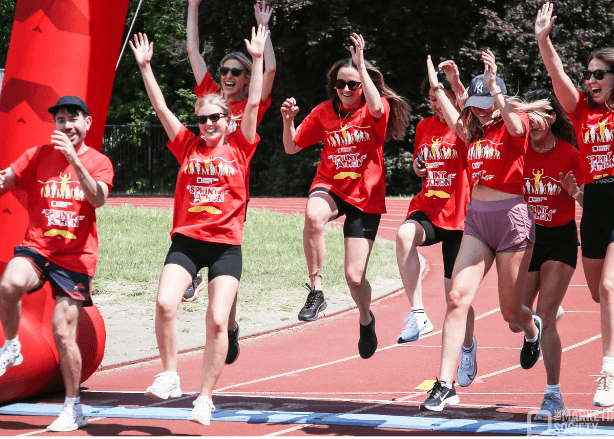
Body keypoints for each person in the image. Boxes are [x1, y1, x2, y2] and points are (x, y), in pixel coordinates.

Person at [130, 25, 266, 425]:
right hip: (187, 241)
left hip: (226, 246)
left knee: (219, 320)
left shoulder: (241, 146)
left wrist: (257, 60)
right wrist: (145, 68)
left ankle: (205, 398)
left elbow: (254, 104)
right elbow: (161, 109)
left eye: (213, 118)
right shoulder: (187, 144)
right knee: (164, 303)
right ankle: (171, 375)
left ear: (227, 120)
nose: (206, 124)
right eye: (202, 119)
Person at [0, 95, 114, 432]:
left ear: (87, 123)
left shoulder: (99, 161)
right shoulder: (38, 155)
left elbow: (97, 198)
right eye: (60, 120)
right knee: (9, 284)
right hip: (38, 247)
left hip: (76, 257)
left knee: (61, 330)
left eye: (73, 119)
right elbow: (5, 178)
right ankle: (12, 347)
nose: (66, 126)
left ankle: (72, 406)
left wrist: (74, 160)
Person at [419, 51, 542, 412]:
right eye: (477, 104)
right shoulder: (471, 130)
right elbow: (450, 109)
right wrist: (436, 85)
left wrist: (496, 91)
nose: (483, 109)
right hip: (477, 221)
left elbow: (518, 128)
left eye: (487, 102)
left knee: (510, 315)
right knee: (457, 298)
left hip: (513, 219)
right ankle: (445, 384)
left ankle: (531, 327)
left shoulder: (513, 120)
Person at [281, 33, 411, 358]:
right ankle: (316, 290)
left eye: (353, 84)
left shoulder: (373, 112)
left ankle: (366, 319)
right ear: (334, 87)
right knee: (313, 215)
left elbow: (379, 104)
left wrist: (360, 64)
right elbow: (292, 146)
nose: (348, 90)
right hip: (332, 186)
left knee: (354, 277)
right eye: (342, 84)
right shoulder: (325, 111)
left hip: (365, 197)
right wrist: (288, 121)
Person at [535, 2, 614, 407]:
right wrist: (543, 40)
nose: (590, 80)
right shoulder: (582, 111)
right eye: (587, 73)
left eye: (598, 74)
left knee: (610, 287)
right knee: (597, 294)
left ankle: (608, 370)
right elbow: (558, 77)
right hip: (594, 207)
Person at [186, 0, 277, 364]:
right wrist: (193, 6)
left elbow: (269, 68)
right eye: (224, 69)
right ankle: (190, 271)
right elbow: (192, 49)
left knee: (224, 263)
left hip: (235, 195)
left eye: (237, 72)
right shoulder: (210, 99)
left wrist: (263, 27)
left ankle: (231, 325)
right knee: (191, 236)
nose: (227, 75)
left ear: (245, 78)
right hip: (203, 184)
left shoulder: (251, 105)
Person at [396, 62, 477, 388]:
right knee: (403, 234)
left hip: (459, 216)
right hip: (429, 209)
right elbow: (422, 167)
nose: (434, 102)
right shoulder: (425, 126)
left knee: (455, 297)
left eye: (438, 96)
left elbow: (461, 99)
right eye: (430, 97)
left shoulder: (465, 126)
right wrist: (418, 167)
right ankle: (417, 315)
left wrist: (450, 82)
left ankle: (468, 346)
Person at [506, 90, 583, 420]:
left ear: (552, 118)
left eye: (539, 114)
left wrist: (576, 192)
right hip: (527, 240)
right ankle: (531, 330)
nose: (532, 120)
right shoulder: (517, 151)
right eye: (528, 114)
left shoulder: (569, 154)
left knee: (546, 314)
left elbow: (589, 206)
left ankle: (554, 397)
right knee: (513, 319)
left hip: (560, 240)